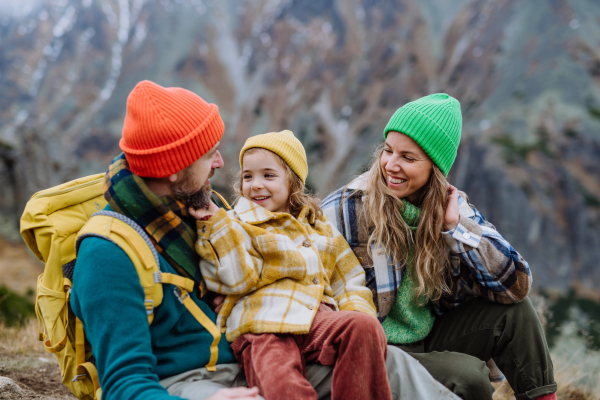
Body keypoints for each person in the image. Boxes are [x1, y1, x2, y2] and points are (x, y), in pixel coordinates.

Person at [71, 81, 460, 400]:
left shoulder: (200, 209)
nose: (221, 164)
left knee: (391, 363)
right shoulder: (108, 253)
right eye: (209, 154)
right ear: (174, 168)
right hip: (195, 384)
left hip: (263, 355)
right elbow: (124, 386)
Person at [321, 93, 558, 400]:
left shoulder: (451, 207)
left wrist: (454, 229)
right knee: (469, 378)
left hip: (428, 338)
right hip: (376, 349)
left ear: (435, 168)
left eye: (408, 158)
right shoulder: (345, 207)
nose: (390, 165)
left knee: (517, 312)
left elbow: (516, 285)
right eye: (388, 151)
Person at [189, 130, 391, 400]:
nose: (256, 184)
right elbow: (235, 279)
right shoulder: (233, 223)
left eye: (268, 175)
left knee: (365, 327)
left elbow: (350, 281)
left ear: (293, 181)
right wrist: (217, 227)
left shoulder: (320, 229)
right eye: (248, 176)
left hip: (316, 316)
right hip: (262, 325)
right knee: (284, 387)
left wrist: (354, 313)